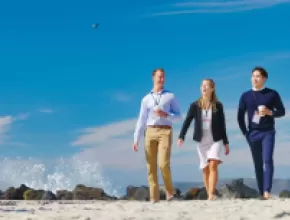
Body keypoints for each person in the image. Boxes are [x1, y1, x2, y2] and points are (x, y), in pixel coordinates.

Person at [132, 68, 181, 203]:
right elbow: (141, 120)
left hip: (165, 131)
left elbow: (178, 116)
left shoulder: (170, 96)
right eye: (159, 77)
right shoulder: (146, 99)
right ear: (153, 78)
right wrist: (136, 138)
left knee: (163, 164)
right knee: (151, 166)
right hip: (150, 131)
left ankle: (169, 192)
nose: (162, 79)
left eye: (163, 77)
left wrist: (166, 115)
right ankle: (154, 197)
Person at [177, 79, 230, 201]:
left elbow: (223, 126)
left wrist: (226, 143)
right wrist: (181, 136)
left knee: (213, 165)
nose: (204, 87)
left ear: (212, 89)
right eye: (202, 85)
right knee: (205, 169)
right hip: (201, 141)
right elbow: (187, 121)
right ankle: (209, 193)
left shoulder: (218, 106)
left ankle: (211, 194)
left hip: (216, 140)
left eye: (207, 86)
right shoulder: (195, 105)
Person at [237, 66, 285, 199]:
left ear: (264, 78)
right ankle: (261, 191)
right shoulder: (245, 95)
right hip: (252, 133)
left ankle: (267, 191)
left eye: (257, 76)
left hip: (268, 132)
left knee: (268, 160)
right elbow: (240, 116)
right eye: (253, 76)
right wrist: (245, 133)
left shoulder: (272, 93)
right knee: (257, 163)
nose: (254, 79)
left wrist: (270, 112)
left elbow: (282, 111)